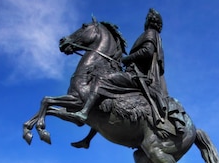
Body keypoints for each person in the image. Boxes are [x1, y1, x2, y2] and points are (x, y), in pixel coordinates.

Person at [70, 8, 183, 136]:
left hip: (137, 75)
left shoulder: (150, 33)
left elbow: (148, 51)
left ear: (149, 21)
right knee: (106, 99)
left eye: (146, 18)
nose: (145, 21)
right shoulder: (155, 36)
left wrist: (126, 59)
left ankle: (84, 112)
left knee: (102, 81)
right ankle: (87, 138)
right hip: (139, 75)